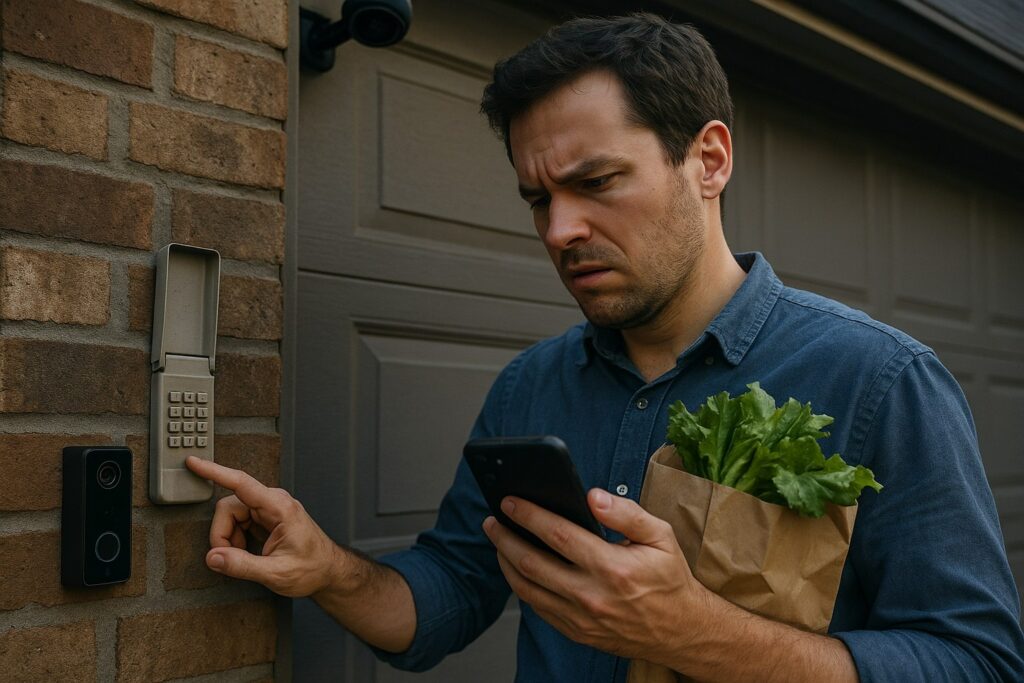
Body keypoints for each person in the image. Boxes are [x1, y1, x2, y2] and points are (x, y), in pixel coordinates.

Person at [186, 13, 1024, 682]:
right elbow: (451, 592)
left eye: (595, 182)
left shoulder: (879, 379)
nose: (560, 231)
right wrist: (328, 567)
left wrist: (701, 634)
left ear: (710, 159)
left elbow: (978, 660)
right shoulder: (531, 387)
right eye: (536, 199)